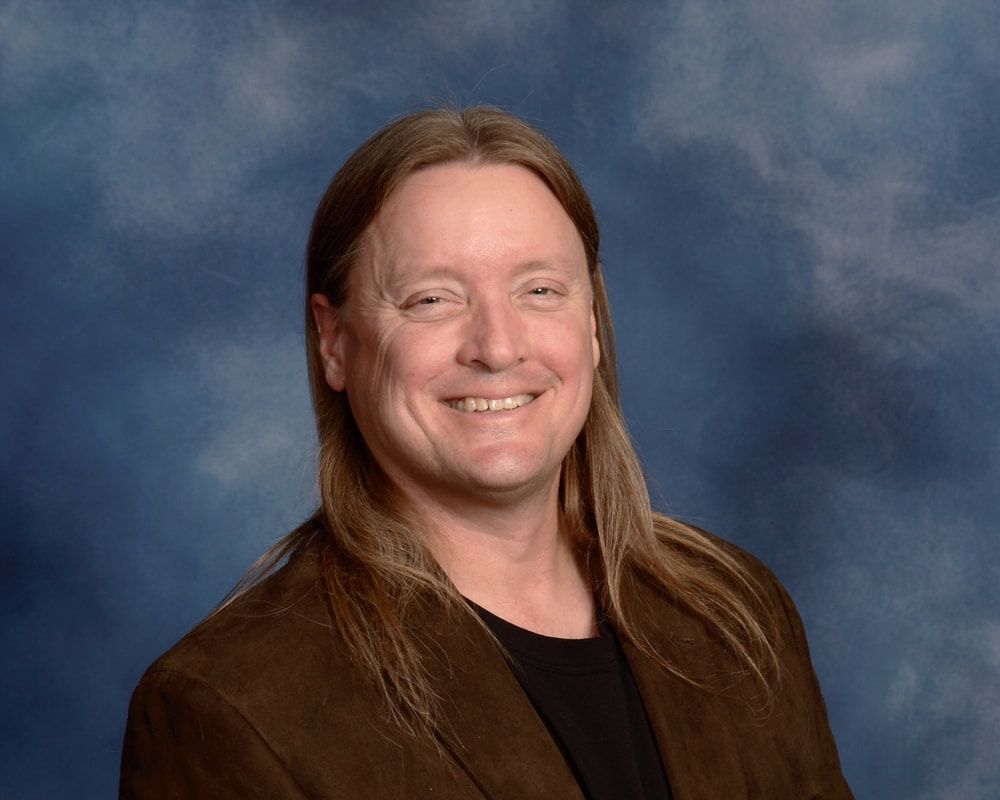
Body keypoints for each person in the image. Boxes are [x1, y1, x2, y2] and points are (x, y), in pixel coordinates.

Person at [120, 106, 853, 799]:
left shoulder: (735, 613)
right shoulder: (228, 705)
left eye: (539, 289)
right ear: (335, 342)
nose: (497, 347)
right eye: (432, 300)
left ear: (592, 323)